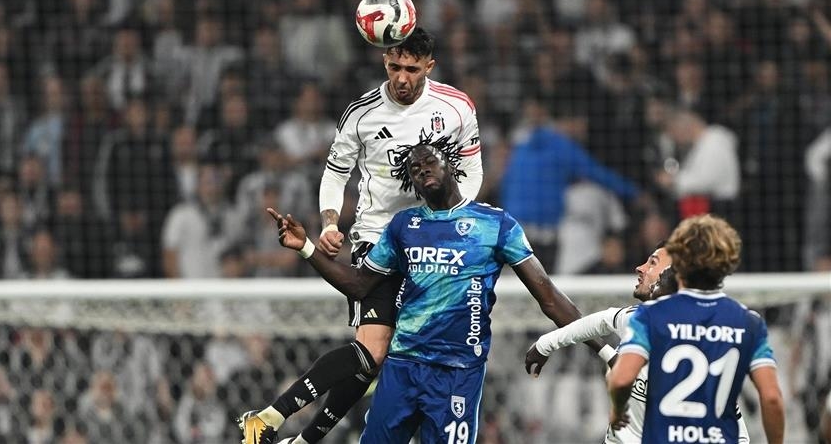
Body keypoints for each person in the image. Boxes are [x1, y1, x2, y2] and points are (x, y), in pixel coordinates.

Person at [241, 27, 484, 444]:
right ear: (384, 60)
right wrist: (330, 223)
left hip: (433, 244)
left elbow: (472, 171)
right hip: (379, 239)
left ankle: (298, 438)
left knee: (382, 358)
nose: (402, 78)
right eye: (394, 67)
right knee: (374, 348)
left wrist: (450, 219)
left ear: (429, 65)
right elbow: (335, 174)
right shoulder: (361, 113)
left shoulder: (457, 107)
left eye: (411, 69)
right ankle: (268, 417)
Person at [264, 140, 597, 443]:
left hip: (457, 371)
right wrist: (306, 247)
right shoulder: (404, 226)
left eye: (430, 162)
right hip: (403, 366)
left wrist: (605, 350)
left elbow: (549, 297)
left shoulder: (495, 224)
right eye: (415, 169)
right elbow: (358, 284)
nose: (423, 170)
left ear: (450, 165)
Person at [525, 245, 751, 443]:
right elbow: (601, 321)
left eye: (652, 263)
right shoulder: (636, 319)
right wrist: (546, 344)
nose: (640, 268)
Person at [607, 215, 785, 444]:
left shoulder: (651, 316)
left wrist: (618, 410)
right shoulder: (749, 322)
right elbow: (771, 398)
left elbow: (621, 380)